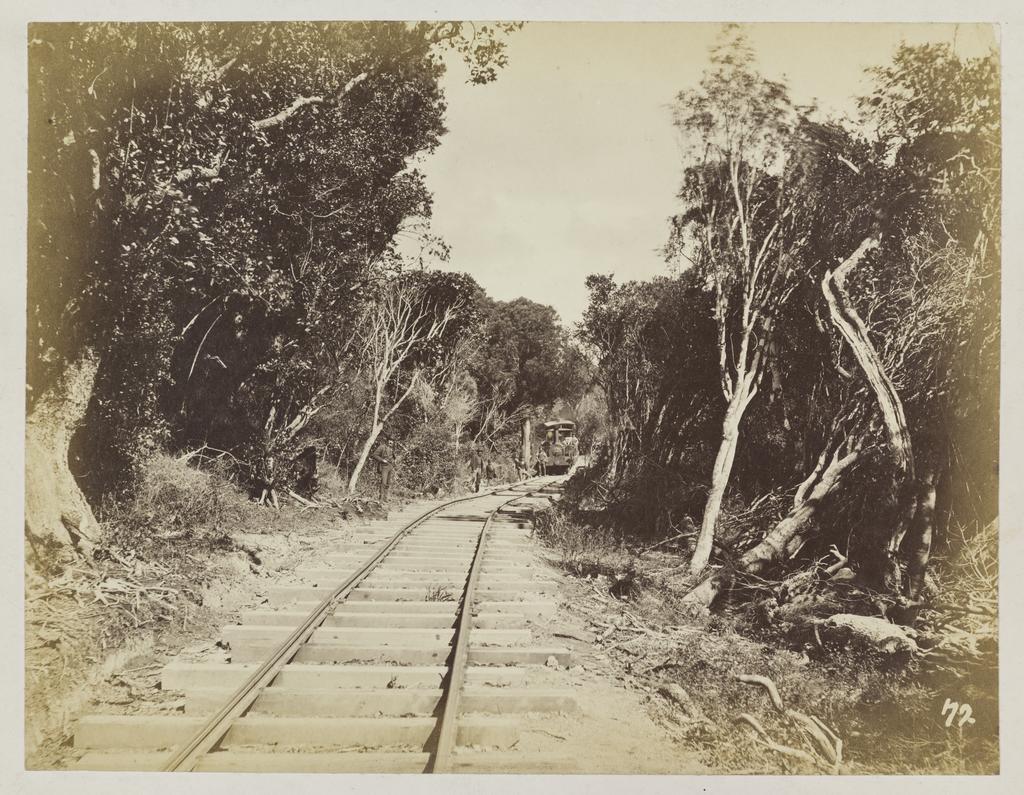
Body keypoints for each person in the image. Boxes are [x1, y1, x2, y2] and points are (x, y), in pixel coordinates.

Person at [372, 434, 395, 502]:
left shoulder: (392, 448)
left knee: (388, 483)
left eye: (392, 441)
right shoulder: (382, 447)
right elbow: (374, 455)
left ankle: (385, 498)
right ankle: (381, 498)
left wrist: (393, 462)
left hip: (390, 466)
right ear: (387, 441)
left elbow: (393, 457)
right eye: (390, 440)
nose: (391, 442)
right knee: (383, 482)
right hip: (384, 466)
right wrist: (382, 460)